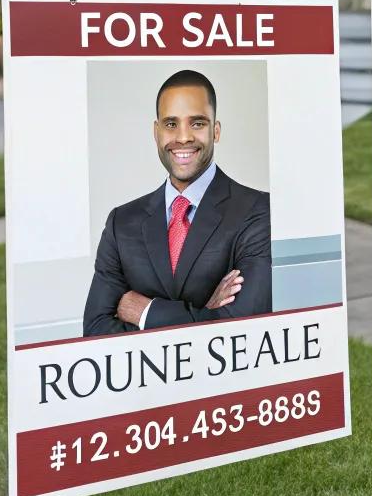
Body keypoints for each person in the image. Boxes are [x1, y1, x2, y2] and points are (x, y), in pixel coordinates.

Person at [82, 68, 271, 337]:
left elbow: (244, 327)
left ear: (215, 131)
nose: (183, 137)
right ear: (156, 132)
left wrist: (145, 312)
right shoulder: (120, 223)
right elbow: (95, 330)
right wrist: (205, 312)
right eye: (171, 124)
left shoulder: (257, 210)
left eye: (197, 123)